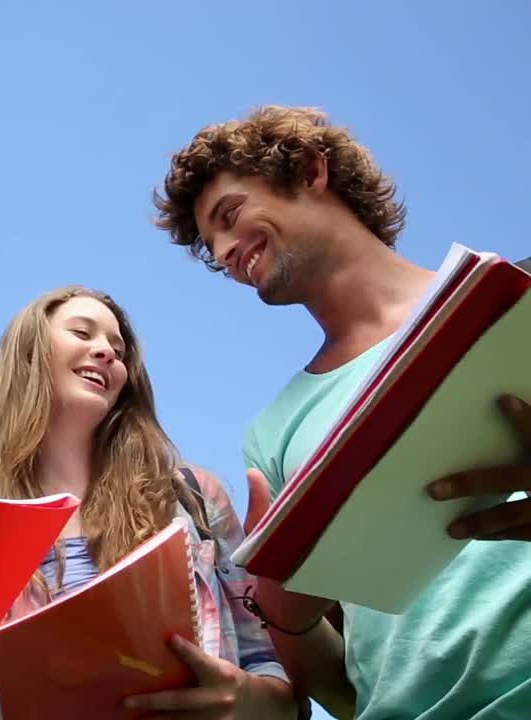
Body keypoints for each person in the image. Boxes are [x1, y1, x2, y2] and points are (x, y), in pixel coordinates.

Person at [153, 105, 531, 719]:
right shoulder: (272, 436)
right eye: (212, 248)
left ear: (310, 171)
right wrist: (284, 616)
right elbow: (339, 692)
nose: (223, 252)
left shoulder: (515, 308)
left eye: (229, 215)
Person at [0, 285, 298, 720]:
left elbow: (274, 674)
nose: (107, 352)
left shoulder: (192, 498)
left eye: (118, 349)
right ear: (29, 355)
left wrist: (245, 699)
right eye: (82, 332)